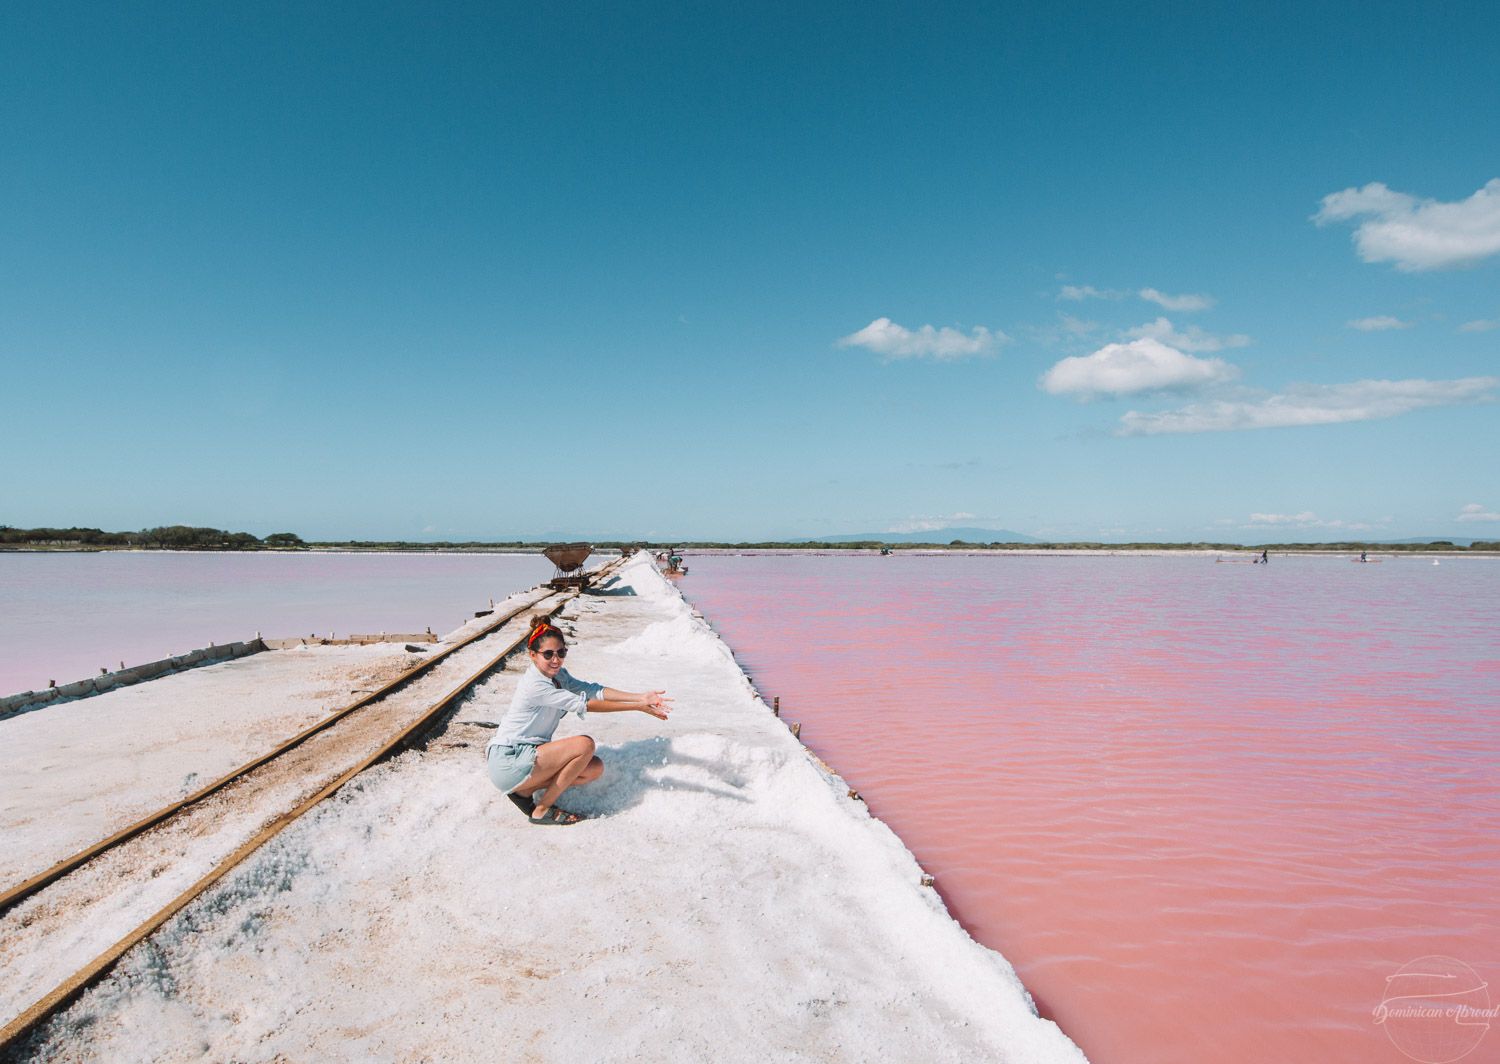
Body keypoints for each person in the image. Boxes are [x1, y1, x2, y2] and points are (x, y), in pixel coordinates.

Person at [486, 617, 671, 825]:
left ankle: (525, 790)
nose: (556, 660)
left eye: (561, 652)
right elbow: (585, 704)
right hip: (508, 759)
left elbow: (593, 690)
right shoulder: (535, 685)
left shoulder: (558, 675)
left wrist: (640, 697)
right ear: (533, 655)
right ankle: (541, 809)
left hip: (530, 755)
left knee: (593, 769)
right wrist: (636, 707)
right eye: (548, 654)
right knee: (584, 745)